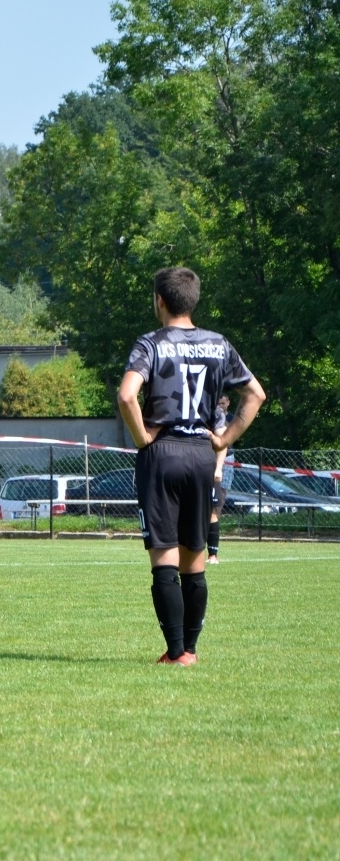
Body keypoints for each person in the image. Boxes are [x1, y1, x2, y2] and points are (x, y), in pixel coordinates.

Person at [118, 267, 264, 665]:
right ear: (193, 300)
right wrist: (224, 438)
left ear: (159, 301)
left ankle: (175, 649)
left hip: (162, 453)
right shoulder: (219, 344)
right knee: (194, 559)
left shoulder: (151, 343)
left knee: (164, 558)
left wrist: (142, 438)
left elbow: (127, 395)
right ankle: (191, 652)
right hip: (202, 452)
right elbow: (255, 394)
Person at [208, 394, 231, 565]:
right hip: (188, 467)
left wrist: (218, 467)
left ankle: (213, 555)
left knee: (212, 512)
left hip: (209, 469)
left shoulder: (216, 413)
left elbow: (223, 442)